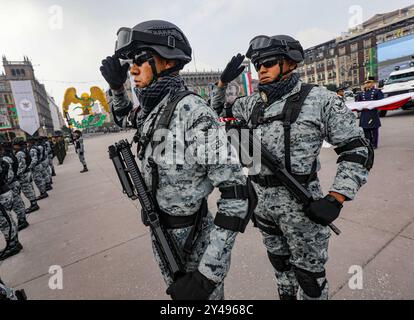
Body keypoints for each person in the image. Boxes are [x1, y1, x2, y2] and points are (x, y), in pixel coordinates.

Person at [100, 20, 255, 300]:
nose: (132, 69)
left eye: (140, 60)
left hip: (195, 242)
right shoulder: (156, 109)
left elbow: (237, 195)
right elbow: (124, 117)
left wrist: (207, 275)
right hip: (162, 232)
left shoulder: (193, 112)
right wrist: (117, 89)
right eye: (130, 63)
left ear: (167, 60)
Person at [211, 35, 373, 300]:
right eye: (257, 64)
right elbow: (216, 109)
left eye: (269, 62)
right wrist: (221, 83)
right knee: (281, 271)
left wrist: (336, 198)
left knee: (309, 280)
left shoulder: (320, 100)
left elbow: (357, 150)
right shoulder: (252, 104)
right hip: (262, 207)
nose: (261, 69)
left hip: (303, 210)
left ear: (290, 63)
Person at [0, 141, 29, 231]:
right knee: (18, 202)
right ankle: (22, 220)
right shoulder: (11, 154)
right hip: (14, 182)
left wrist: (5, 182)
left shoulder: (5, 158)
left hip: (11, 183)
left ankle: (22, 221)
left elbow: (9, 174)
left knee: (17, 204)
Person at [0, 157, 22, 261]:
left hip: (2, 194)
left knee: (4, 223)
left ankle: (12, 245)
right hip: (5, 192)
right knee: (9, 220)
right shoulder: (3, 161)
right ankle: (15, 243)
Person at [12, 138, 40, 214]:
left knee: (27, 190)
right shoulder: (24, 150)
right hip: (26, 173)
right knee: (29, 188)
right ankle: (33, 203)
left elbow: (22, 165)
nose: (13, 146)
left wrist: (17, 174)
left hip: (23, 174)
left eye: (14, 145)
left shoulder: (19, 153)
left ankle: (34, 205)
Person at [355, 78, 383, 149]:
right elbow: (358, 104)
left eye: (369, 82)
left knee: (374, 130)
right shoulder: (361, 94)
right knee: (366, 130)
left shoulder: (377, 91)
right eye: (366, 83)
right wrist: (359, 110)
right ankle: (368, 143)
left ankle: (374, 144)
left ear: (372, 84)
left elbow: (381, 101)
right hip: (364, 114)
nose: (367, 84)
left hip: (373, 113)